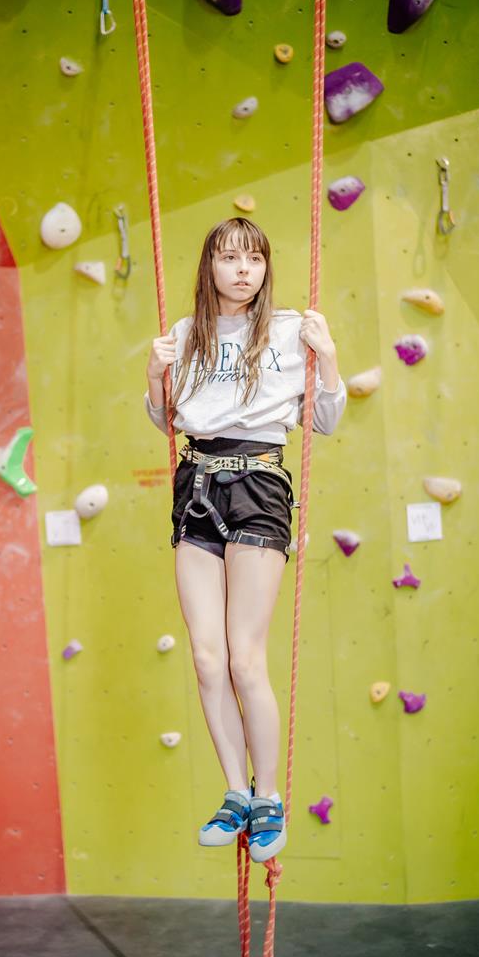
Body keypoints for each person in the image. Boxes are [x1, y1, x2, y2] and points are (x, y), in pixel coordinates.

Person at [143, 217, 347, 863]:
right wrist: (153, 375)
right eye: (230, 258)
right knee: (207, 659)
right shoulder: (186, 334)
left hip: (257, 484)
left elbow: (324, 420)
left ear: (265, 268)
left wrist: (328, 355)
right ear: (209, 266)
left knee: (243, 659)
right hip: (196, 483)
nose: (242, 270)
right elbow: (168, 420)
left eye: (253, 259)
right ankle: (236, 792)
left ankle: (269, 798)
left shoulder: (289, 329)